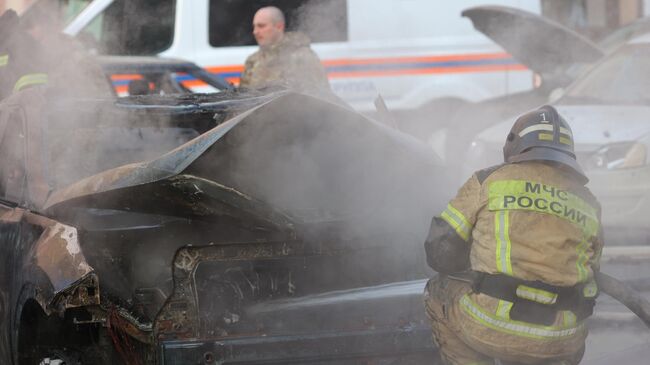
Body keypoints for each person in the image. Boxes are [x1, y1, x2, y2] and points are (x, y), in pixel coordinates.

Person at [423, 105, 603, 365]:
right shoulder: (589, 201)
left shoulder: (488, 181)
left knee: (437, 291)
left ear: (515, 144)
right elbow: (592, 273)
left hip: (492, 325)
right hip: (562, 338)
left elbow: (440, 253)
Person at [239, 6, 331, 95]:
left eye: (261, 26)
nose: (255, 31)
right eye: (254, 27)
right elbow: (242, 100)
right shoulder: (253, 61)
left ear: (279, 26)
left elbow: (322, 98)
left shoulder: (302, 57)